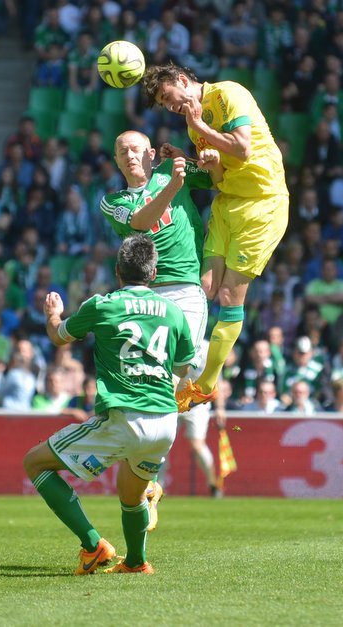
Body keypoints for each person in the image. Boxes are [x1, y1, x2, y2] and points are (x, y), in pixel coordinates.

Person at [23, 234, 195, 576]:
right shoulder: (174, 312)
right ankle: (135, 562)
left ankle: (93, 546)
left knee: (35, 463)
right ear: (154, 273)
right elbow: (183, 368)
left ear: (117, 271)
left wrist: (53, 314)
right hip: (164, 421)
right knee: (130, 497)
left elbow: (59, 336)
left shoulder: (103, 305)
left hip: (124, 417)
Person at [141, 63, 289, 413]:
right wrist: (191, 160)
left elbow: (242, 149)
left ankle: (206, 383)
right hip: (227, 204)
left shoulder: (229, 94)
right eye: (164, 105)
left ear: (181, 80)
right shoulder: (195, 130)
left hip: (263, 203)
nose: (169, 106)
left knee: (227, 296)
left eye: (167, 97)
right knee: (202, 288)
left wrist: (198, 126)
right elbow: (217, 177)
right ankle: (173, 369)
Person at [100, 130, 221, 503]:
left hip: (184, 287)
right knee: (154, 379)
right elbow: (139, 222)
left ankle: (144, 470)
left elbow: (216, 178)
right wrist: (172, 186)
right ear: (117, 161)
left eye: (137, 149)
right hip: (144, 294)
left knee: (176, 371)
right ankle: (145, 473)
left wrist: (202, 158)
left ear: (151, 153)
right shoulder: (113, 201)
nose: (131, 156)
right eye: (123, 152)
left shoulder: (172, 168)